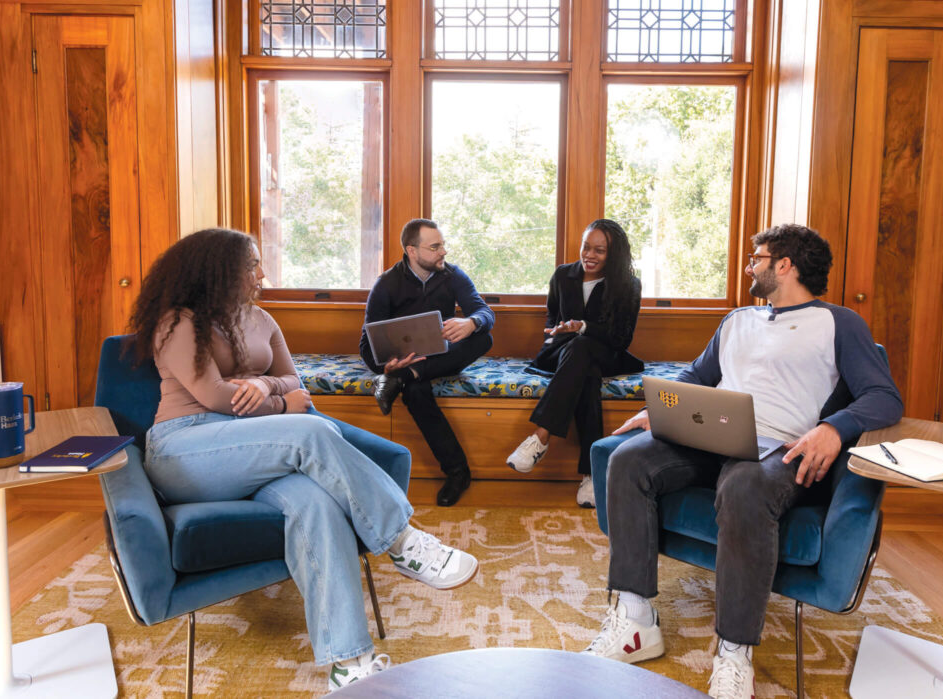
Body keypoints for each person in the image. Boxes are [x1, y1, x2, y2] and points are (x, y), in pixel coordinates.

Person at [129, 228, 479, 691]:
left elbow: (295, 381)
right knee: (311, 429)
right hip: (188, 450)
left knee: (317, 504)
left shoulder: (260, 319)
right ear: (217, 269)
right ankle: (400, 540)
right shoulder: (178, 322)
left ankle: (349, 664)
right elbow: (214, 396)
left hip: (256, 446)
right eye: (251, 264)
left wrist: (270, 389)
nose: (262, 273)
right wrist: (281, 404)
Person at [581, 224, 902, 699]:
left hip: (779, 447)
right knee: (629, 462)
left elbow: (884, 397)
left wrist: (834, 429)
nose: (749, 265)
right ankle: (634, 621)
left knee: (745, 488)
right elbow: (697, 375)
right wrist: (659, 409)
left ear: (785, 265)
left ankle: (734, 652)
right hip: (710, 433)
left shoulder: (840, 323)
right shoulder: (737, 320)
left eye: (758, 257)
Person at [505, 219, 643, 507]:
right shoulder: (563, 275)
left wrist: (582, 326)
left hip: (607, 354)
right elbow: (552, 316)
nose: (589, 255)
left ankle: (540, 437)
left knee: (585, 354)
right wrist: (553, 334)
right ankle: (591, 474)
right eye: (586, 247)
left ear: (613, 254)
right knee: (584, 368)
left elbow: (621, 338)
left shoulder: (628, 285)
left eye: (600, 250)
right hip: (565, 352)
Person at [360, 218, 495, 507]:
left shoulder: (452, 275)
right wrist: (386, 368)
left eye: (443, 245)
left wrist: (471, 322)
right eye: (434, 247)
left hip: (443, 356)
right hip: (408, 361)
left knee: (484, 338)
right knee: (416, 391)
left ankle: (407, 376)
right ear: (412, 251)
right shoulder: (386, 284)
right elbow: (366, 344)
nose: (443, 252)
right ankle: (458, 472)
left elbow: (484, 312)